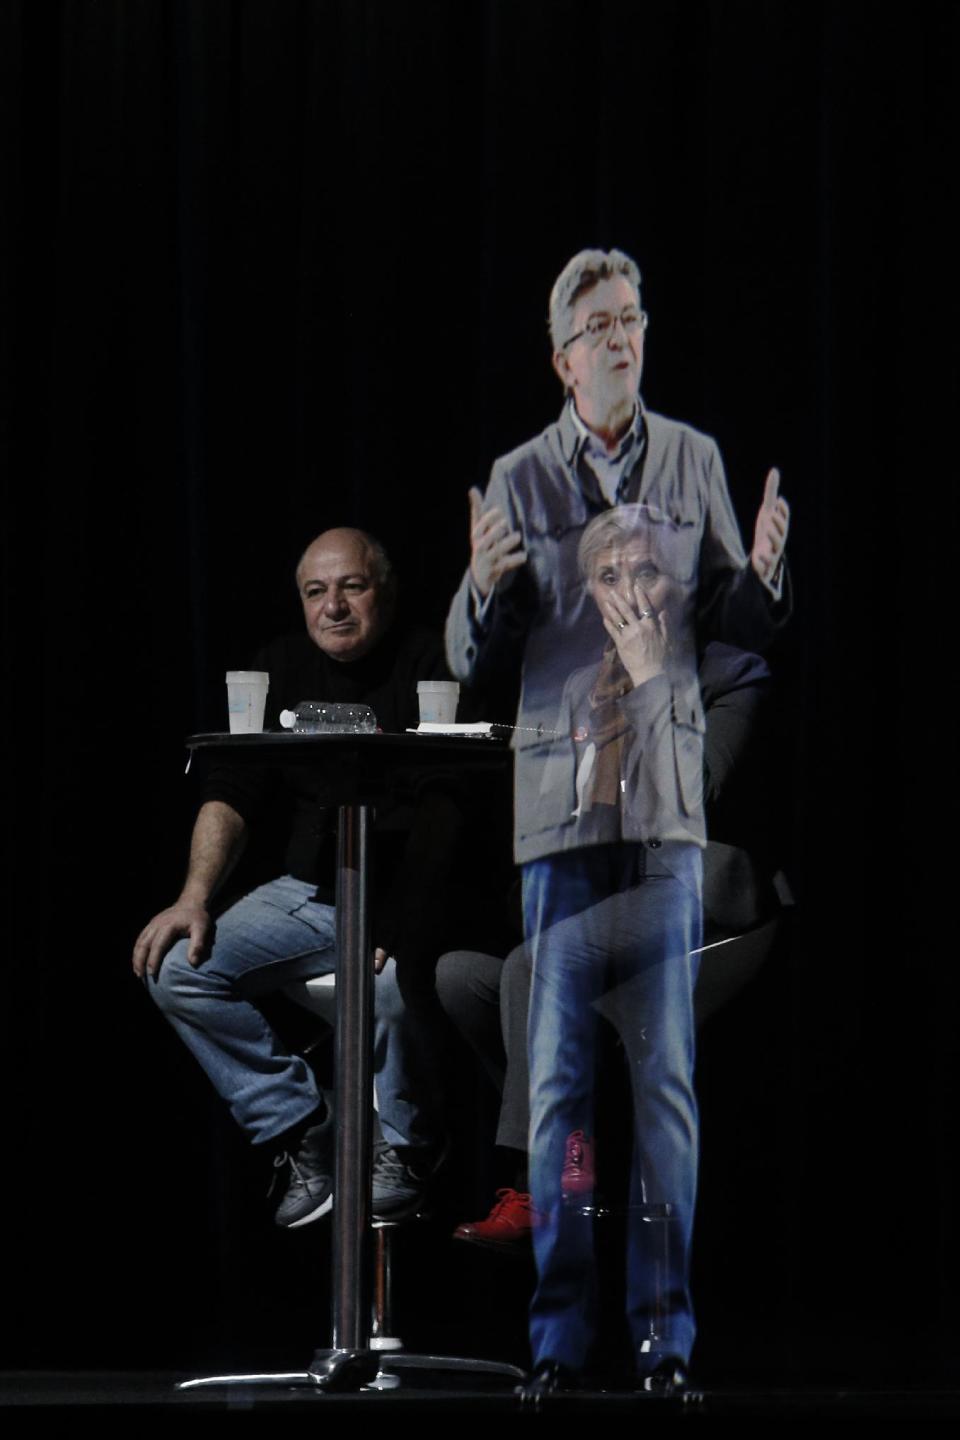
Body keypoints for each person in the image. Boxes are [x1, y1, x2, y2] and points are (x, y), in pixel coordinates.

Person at [445, 249, 790, 1395]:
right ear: (561, 357)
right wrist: (489, 590)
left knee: (666, 1081)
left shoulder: (693, 457)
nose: (619, 339)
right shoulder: (521, 479)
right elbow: (481, 665)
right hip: (560, 810)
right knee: (554, 1081)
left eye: (632, 320)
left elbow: (737, 626)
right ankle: (555, 1344)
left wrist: (766, 578)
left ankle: (665, 1343)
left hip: (668, 807)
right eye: (597, 326)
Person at [134, 528, 456, 1227]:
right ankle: (302, 1123)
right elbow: (232, 791)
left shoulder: (432, 660)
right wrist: (193, 897)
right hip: (311, 893)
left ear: (386, 591)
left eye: (353, 586)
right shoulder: (278, 664)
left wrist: (401, 922)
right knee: (175, 968)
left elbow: (449, 809)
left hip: (409, 896)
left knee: (400, 989)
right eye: (317, 592)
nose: (334, 606)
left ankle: (404, 1149)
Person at [438, 637, 783, 1253]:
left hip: (693, 890)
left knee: (541, 961)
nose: (629, 595)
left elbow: (698, 792)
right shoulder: (581, 688)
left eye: (646, 572)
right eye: (610, 577)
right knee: (462, 976)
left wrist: (652, 684)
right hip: (605, 895)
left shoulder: (731, 674)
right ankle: (574, 1145)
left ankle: (543, 1187)